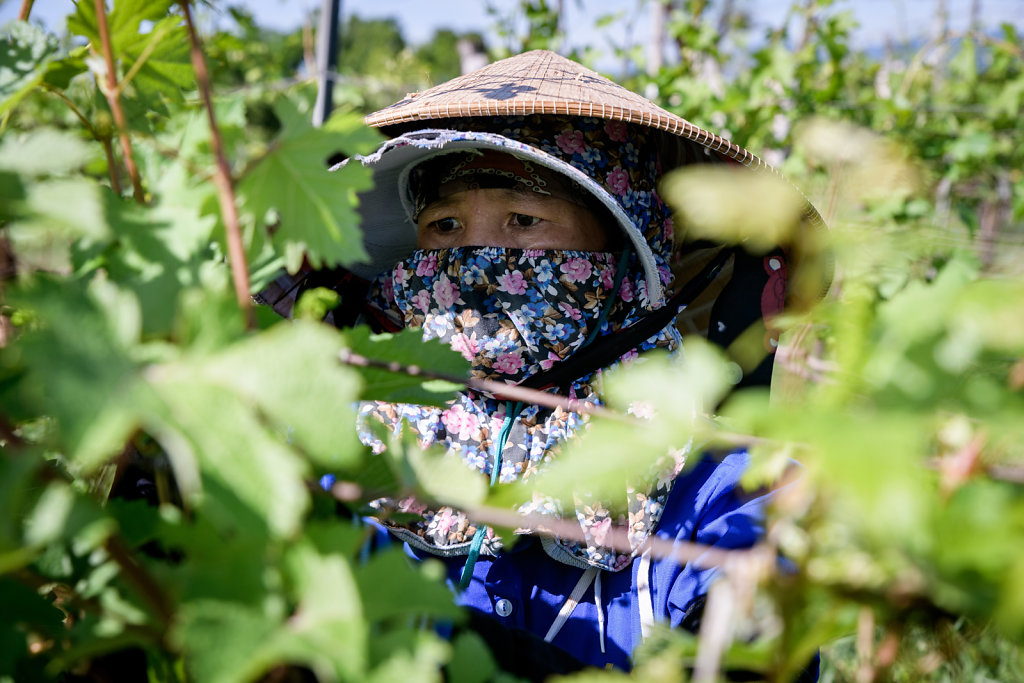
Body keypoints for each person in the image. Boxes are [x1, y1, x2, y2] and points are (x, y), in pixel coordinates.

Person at [265, 49, 824, 677]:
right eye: (444, 225)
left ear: (627, 261)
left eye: (523, 220)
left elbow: (754, 636)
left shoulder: (717, 493)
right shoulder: (338, 454)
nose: (475, 260)